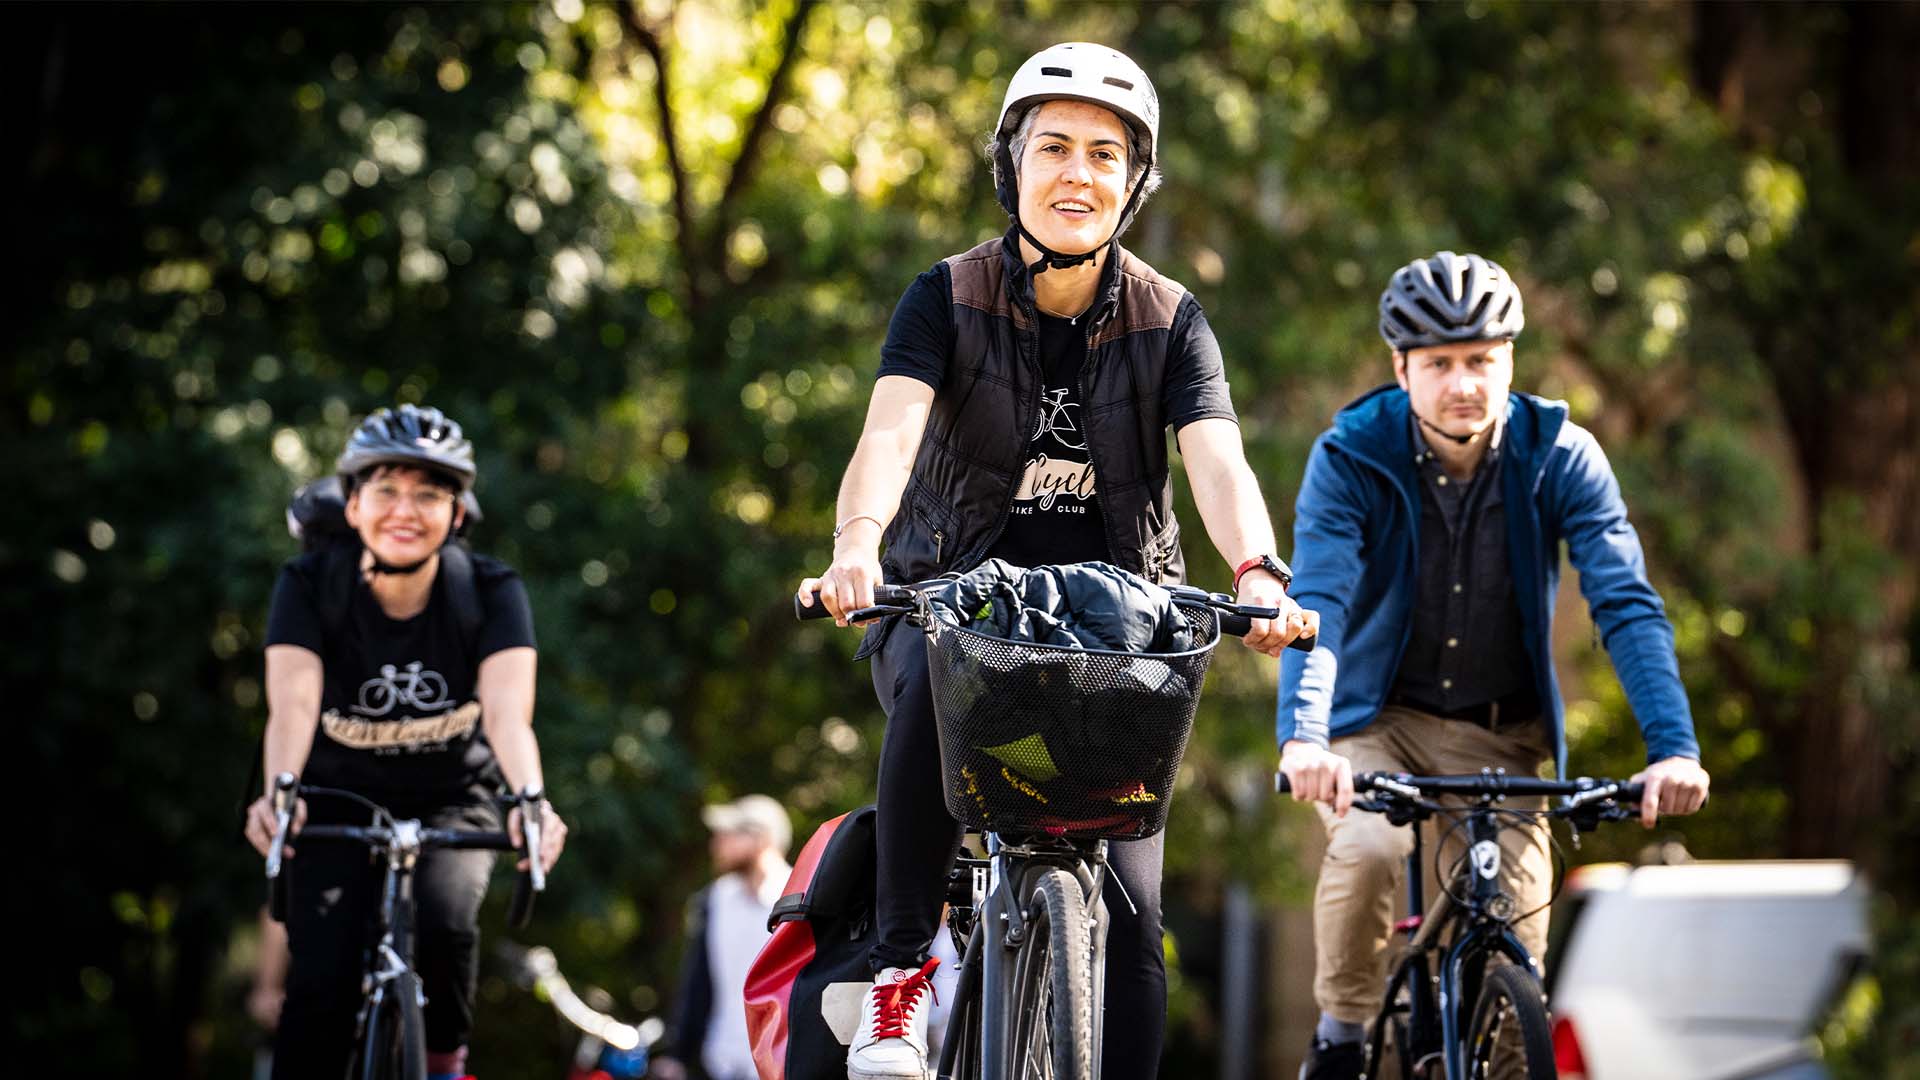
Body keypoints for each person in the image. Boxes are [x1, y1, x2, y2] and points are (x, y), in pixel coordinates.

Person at [796, 42, 1317, 1080]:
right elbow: (890, 436)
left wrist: (1259, 572)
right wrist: (856, 548)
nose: (1078, 173)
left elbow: (1218, 463)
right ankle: (902, 975)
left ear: (1132, 184)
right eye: (1055, 148)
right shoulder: (946, 297)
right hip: (952, 593)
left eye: (1105, 155)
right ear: (1012, 165)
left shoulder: (1173, 320)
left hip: (1117, 632)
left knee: (1136, 911)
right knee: (931, 683)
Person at [1273, 252, 1712, 1079]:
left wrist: (1674, 749)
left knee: (1515, 948)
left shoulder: (1560, 455)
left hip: (1498, 737)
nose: (1463, 382)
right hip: (1379, 725)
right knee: (1366, 849)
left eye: (1481, 360)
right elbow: (1318, 603)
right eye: (1439, 364)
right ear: (1402, 369)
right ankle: (1338, 1037)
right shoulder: (1352, 455)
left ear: (1509, 359)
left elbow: (1625, 600)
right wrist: (1305, 738)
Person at [242, 404, 568, 1080]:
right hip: (334, 796)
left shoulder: (490, 590)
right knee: (320, 981)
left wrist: (531, 800)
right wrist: (280, 791)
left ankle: (443, 1066)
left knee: (447, 928)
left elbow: (509, 715)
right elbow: (294, 705)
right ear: (353, 504)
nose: (405, 510)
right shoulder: (307, 585)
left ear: (457, 511)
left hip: (454, 796)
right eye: (385, 490)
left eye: (429, 493)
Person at [655, 794, 795, 1080]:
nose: (717, 845)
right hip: (721, 1063)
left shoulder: (800, 897)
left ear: (761, 839)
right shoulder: (715, 899)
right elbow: (697, 982)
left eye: (729, 835)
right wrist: (677, 1055)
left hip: (783, 1065)